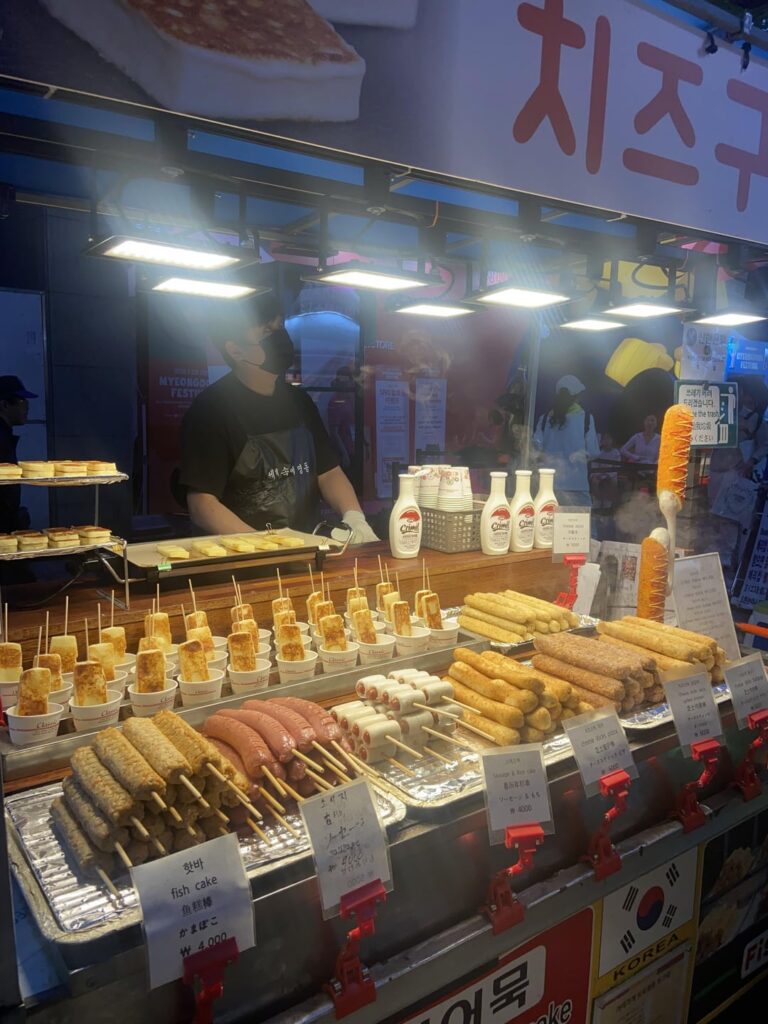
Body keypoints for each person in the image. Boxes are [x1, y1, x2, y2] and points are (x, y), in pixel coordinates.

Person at [179, 294, 377, 542]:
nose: (279, 338)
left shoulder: (300, 402)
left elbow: (328, 472)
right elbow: (202, 504)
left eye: (279, 327)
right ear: (235, 350)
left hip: (307, 550)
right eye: (266, 333)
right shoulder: (210, 411)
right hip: (245, 563)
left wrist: (354, 518)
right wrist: (265, 546)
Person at [533, 375, 599, 505]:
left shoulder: (545, 418)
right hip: (577, 486)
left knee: (548, 524)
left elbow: (535, 448)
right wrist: (578, 455)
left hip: (549, 487)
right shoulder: (586, 418)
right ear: (577, 396)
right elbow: (593, 451)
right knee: (578, 524)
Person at [0, 375, 36, 534]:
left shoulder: (5, 433)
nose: (27, 406)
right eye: (22, 401)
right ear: (4, 405)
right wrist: (9, 519)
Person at [589, 432, 621, 510]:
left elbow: (617, 468)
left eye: (608, 438)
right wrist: (598, 475)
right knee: (594, 480)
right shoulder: (597, 453)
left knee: (611, 481)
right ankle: (597, 501)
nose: (606, 441)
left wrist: (608, 475)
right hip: (599, 475)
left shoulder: (616, 453)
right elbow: (594, 467)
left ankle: (608, 503)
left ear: (612, 440)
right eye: (604, 439)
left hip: (611, 475)